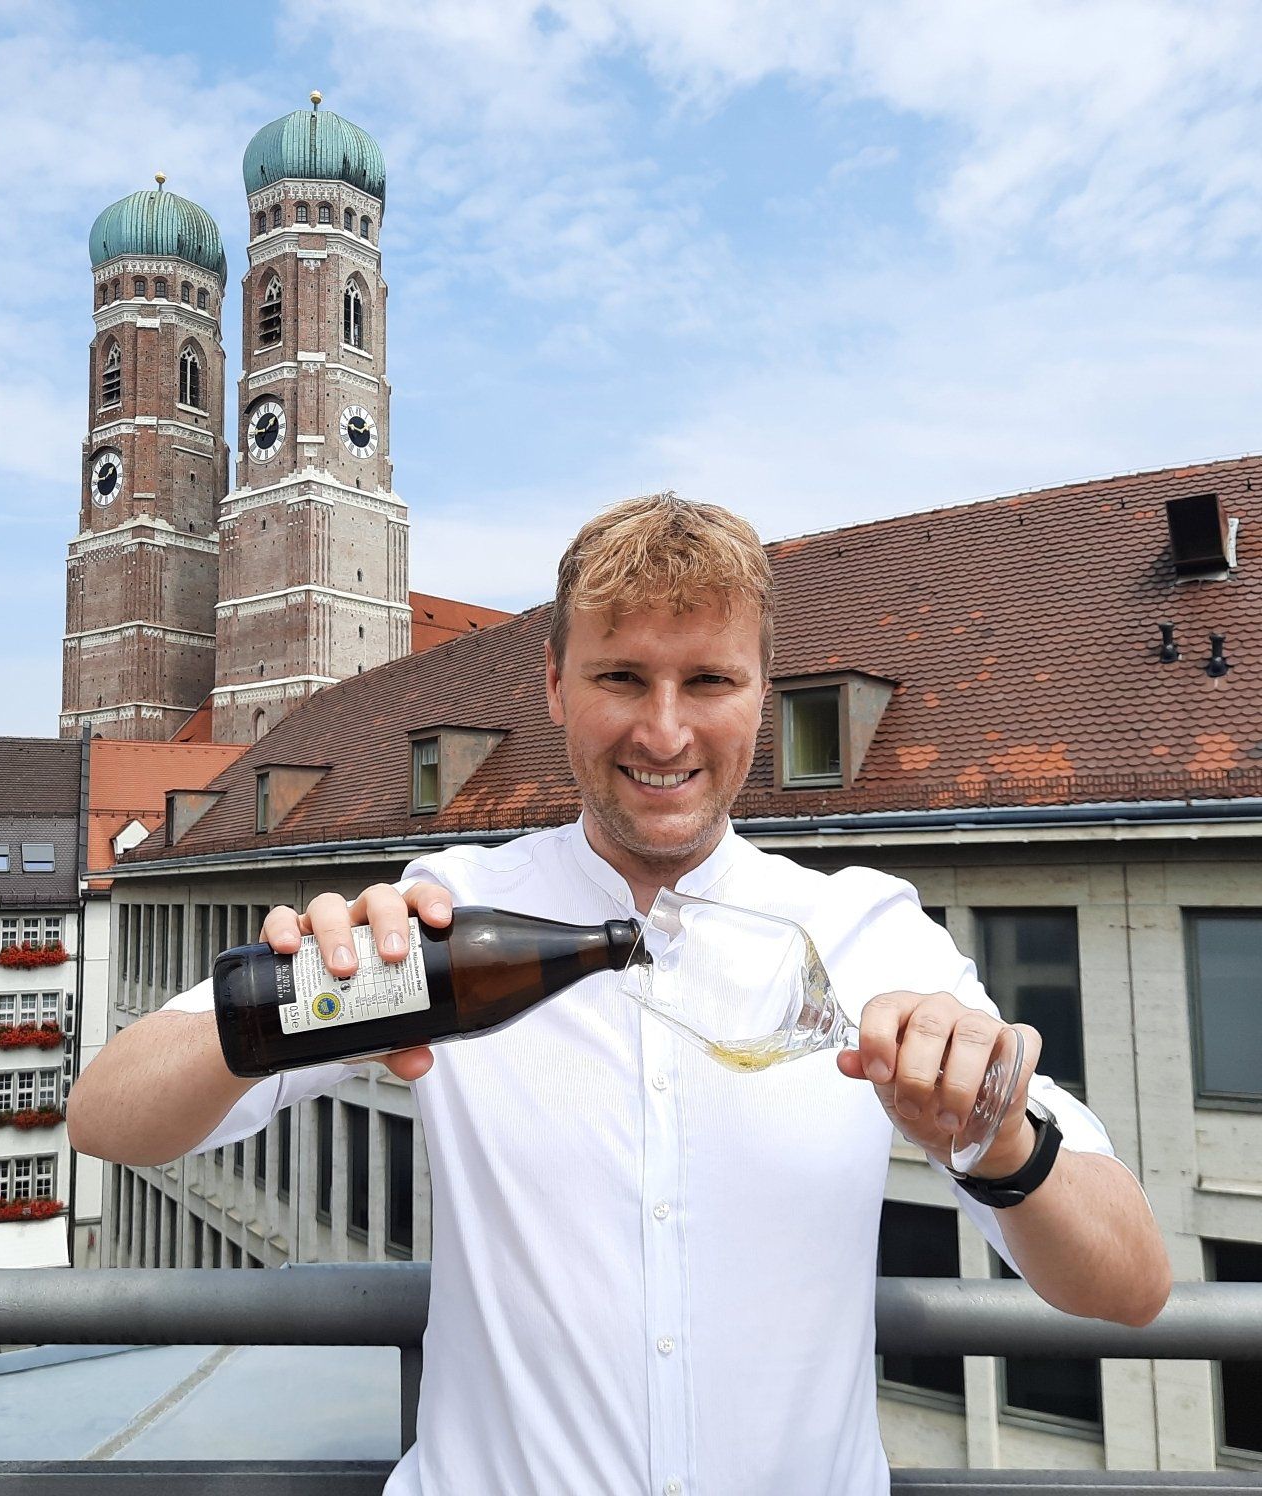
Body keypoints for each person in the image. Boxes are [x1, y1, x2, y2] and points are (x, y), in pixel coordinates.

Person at [70, 494, 1170, 1495]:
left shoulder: (866, 930)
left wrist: (996, 1141)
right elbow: (108, 1118)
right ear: (554, 684)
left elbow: (1130, 1284)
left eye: (708, 681)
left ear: (761, 690)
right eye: (621, 678)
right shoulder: (443, 913)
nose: (664, 731)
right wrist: (282, 1005)